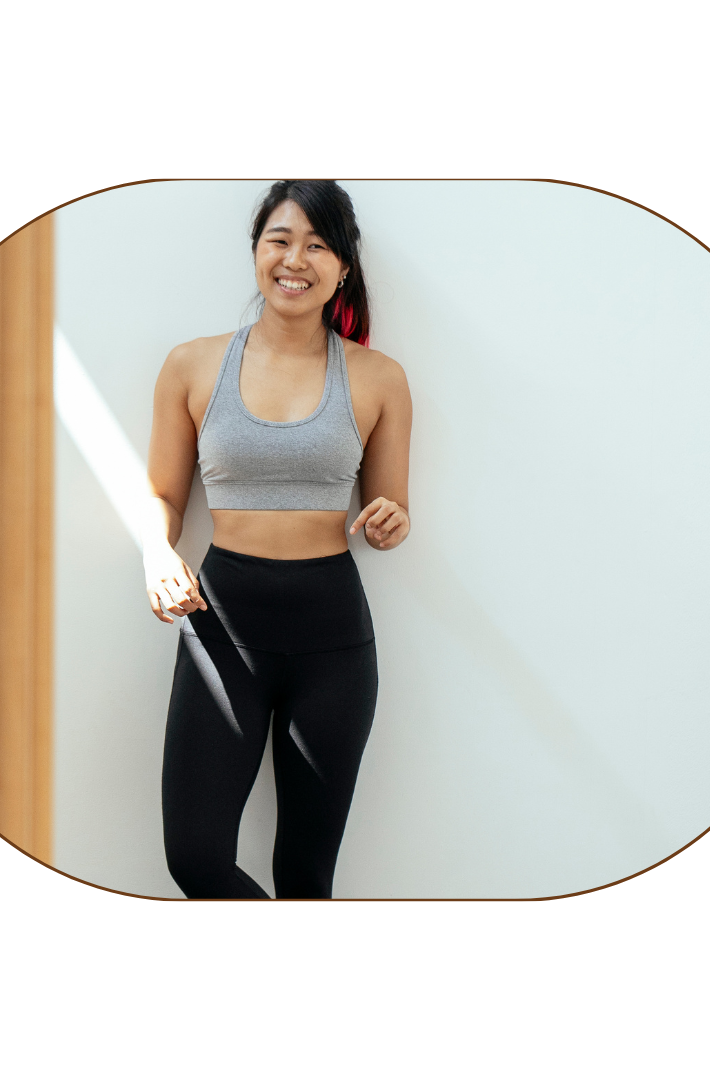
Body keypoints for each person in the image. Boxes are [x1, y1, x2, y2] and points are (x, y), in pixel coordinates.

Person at [142, 181, 412, 899]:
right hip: (222, 625)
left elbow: (391, 511)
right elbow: (163, 496)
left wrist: (391, 519)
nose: (297, 260)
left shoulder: (379, 377)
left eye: (319, 245)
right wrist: (156, 551)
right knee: (195, 858)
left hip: (333, 639)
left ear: (344, 266)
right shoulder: (191, 365)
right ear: (257, 251)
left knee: (305, 877)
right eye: (281, 240)